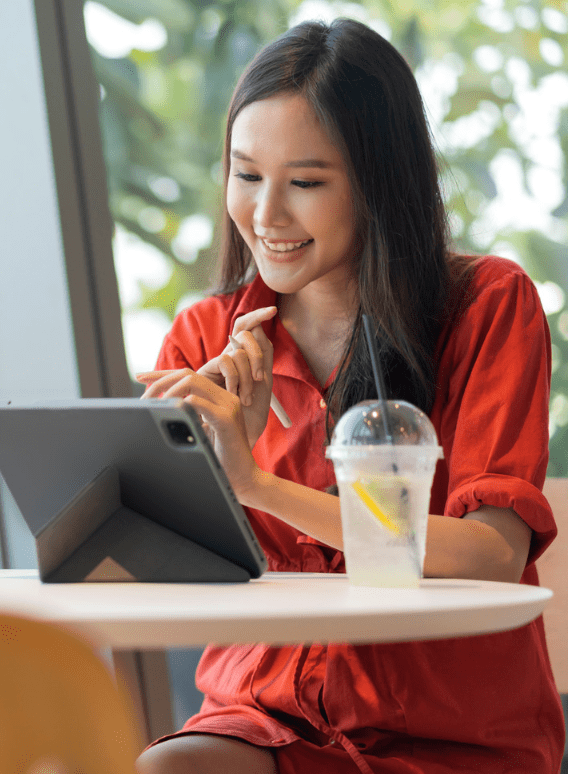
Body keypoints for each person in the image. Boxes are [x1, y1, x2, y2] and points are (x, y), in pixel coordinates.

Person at [134, 18, 565, 774]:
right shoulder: (206, 336)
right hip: (262, 714)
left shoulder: (487, 304)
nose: (266, 215)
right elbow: (171, 564)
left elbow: (493, 553)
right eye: (245, 174)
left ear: (378, 184)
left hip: (443, 735)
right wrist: (158, 481)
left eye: (304, 183)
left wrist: (255, 485)